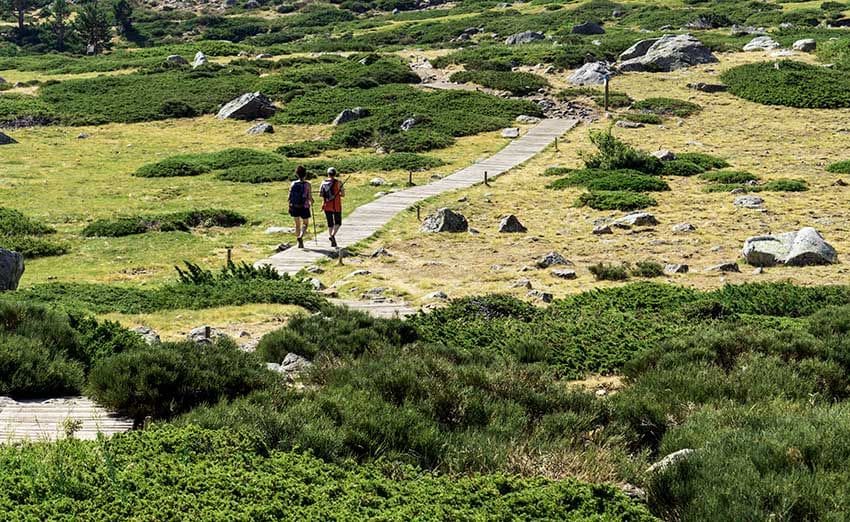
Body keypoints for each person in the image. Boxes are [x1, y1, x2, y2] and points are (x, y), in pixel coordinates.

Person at [288, 165, 313, 248]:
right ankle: (301, 236)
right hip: (304, 206)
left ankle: (298, 243)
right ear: (305, 174)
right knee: (305, 223)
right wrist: (312, 201)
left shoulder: (293, 183)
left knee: (297, 224)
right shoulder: (308, 184)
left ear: (297, 174)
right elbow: (309, 197)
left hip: (294, 206)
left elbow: (289, 197)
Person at [319, 167, 345, 248]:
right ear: (335, 174)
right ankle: (332, 236)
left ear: (328, 174)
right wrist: (338, 195)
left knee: (330, 223)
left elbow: (320, 194)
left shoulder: (323, 182)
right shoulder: (339, 182)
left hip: (327, 205)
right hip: (336, 205)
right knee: (338, 222)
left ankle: (331, 237)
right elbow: (343, 194)